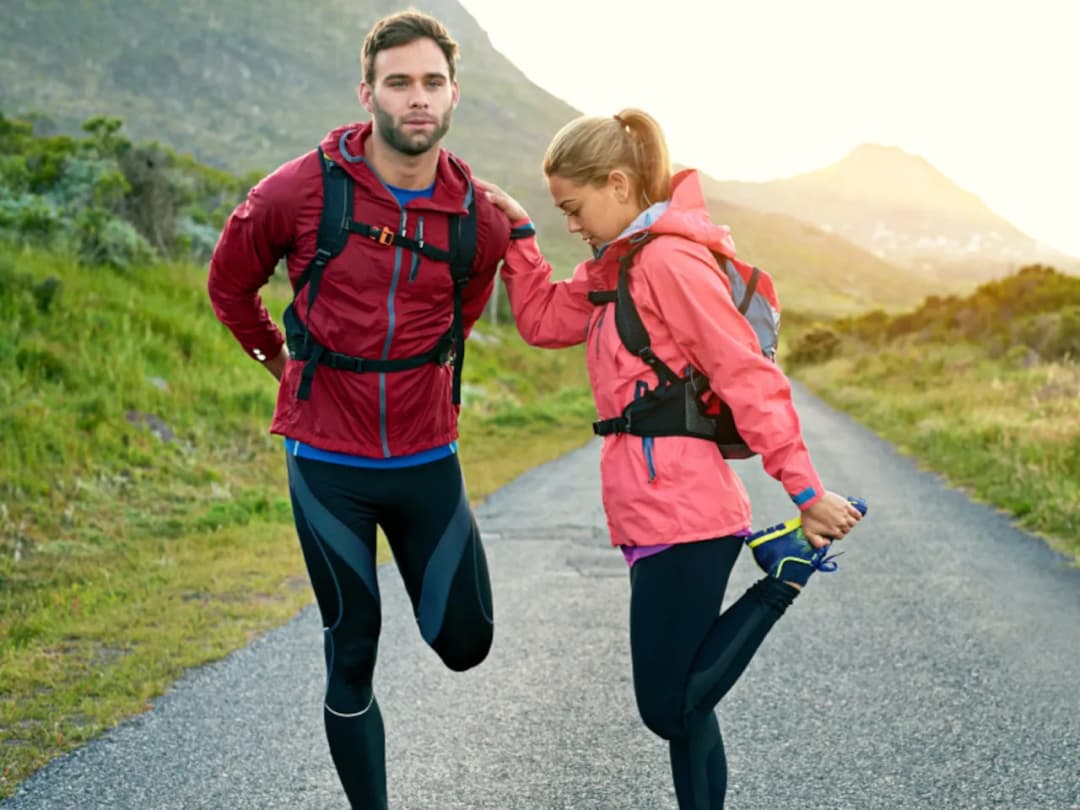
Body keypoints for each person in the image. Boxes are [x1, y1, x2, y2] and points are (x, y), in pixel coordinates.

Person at [478, 108, 864, 809]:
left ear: (618, 183)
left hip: (685, 512)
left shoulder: (668, 262)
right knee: (689, 713)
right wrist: (523, 239)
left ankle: (783, 576)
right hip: (648, 509)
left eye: (573, 207)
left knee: (669, 707)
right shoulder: (618, 268)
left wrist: (805, 492)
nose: (572, 224)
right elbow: (541, 321)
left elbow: (747, 375)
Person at [207, 11, 510, 808]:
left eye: (432, 82)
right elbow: (229, 286)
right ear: (367, 92)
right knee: (352, 647)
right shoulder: (299, 190)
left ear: (454, 94)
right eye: (399, 82)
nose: (418, 97)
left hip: (426, 455)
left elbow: (461, 313)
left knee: (467, 642)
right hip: (326, 460)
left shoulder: (478, 216)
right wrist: (279, 362)